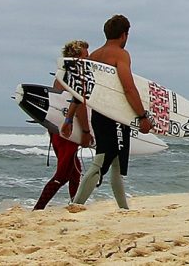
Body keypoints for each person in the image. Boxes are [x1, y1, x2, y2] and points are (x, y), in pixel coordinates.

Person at [72, 14, 153, 209]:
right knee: (101, 161)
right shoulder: (120, 54)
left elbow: (83, 91)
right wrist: (142, 116)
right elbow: (128, 87)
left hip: (101, 115)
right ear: (124, 35)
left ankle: (123, 208)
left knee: (116, 164)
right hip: (115, 117)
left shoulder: (94, 56)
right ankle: (76, 204)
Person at [33, 40, 92, 210]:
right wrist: (86, 132)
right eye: (85, 57)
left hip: (57, 128)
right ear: (75, 58)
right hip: (67, 129)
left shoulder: (60, 75)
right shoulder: (75, 77)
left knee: (74, 170)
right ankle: (38, 208)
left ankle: (75, 204)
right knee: (64, 173)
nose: (88, 61)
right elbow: (78, 104)